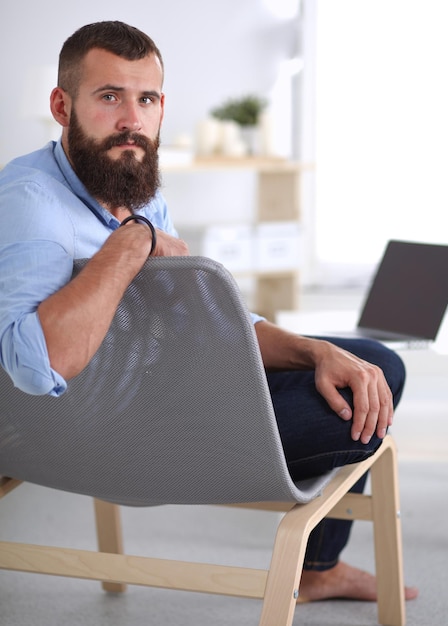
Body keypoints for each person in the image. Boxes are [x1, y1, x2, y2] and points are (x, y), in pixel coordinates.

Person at [0, 21, 417, 603]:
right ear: (61, 104)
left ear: (162, 107)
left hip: (162, 397)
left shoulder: (132, 186)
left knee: (363, 362)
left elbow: (211, 326)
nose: (131, 120)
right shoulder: (31, 205)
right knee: (369, 391)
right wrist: (131, 242)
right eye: (109, 96)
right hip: (119, 442)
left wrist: (313, 351)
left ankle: (319, 565)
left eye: (145, 99)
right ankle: (316, 565)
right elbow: (34, 365)